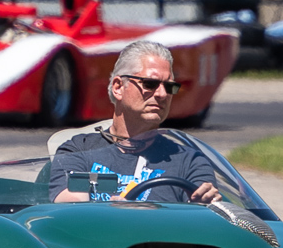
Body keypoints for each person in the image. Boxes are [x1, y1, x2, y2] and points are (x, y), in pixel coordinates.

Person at [49, 41, 221, 203]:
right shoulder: (79, 150)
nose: (162, 94)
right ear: (118, 87)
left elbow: (200, 217)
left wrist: (202, 204)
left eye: (169, 87)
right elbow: (70, 206)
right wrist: (111, 211)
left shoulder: (190, 161)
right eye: (150, 84)